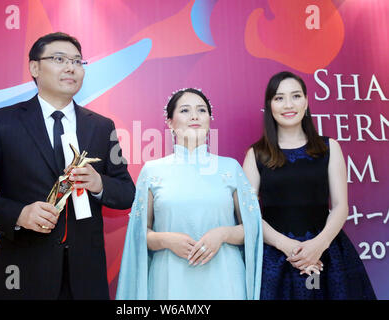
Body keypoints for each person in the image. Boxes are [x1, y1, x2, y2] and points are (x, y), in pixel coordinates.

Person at [0, 32, 135, 299]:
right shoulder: (2, 123)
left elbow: (127, 192)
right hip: (24, 273)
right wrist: (19, 214)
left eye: (77, 61)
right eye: (59, 59)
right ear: (34, 67)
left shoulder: (101, 127)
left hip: (86, 277)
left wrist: (99, 184)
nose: (71, 67)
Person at [116, 88, 262, 300]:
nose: (194, 116)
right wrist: (166, 239)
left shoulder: (230, 168)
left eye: (201, 110)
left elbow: (251, 228)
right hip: (169, 280)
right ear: (170, 122)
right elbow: (139, 233)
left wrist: (222, 234)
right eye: (185, 110)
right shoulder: (152, 171)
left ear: (210, 119)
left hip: (225, 278)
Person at [242, 71, 376, 299]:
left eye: (295, 96)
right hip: (276, 256)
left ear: (306, 101)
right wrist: (287, 246)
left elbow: (341, 206)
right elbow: (249, 213)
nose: (288, 105)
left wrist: (318, 246)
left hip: (327, 254)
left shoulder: (329, 147)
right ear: (270, 105)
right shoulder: (256, 155)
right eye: (279, 98)